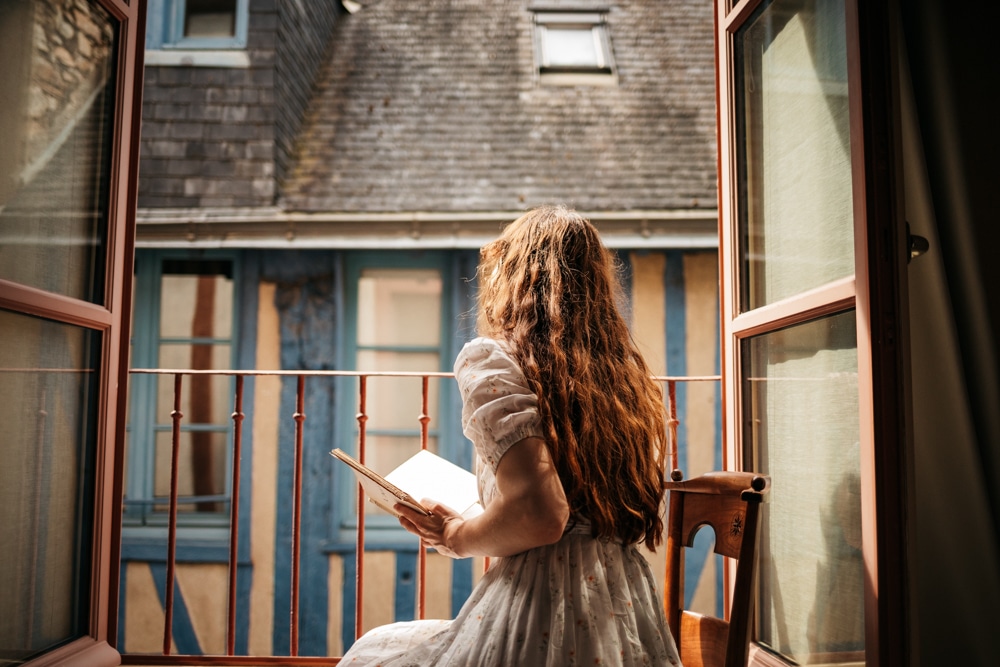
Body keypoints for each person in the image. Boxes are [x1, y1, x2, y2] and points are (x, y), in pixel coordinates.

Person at [340, 205, 682, 666]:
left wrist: (457, 534)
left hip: (547, 606)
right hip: (623, 610)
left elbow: (542, 515)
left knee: (370, 654)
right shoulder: (624, 379)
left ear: (516, 278)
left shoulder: (493, 359)